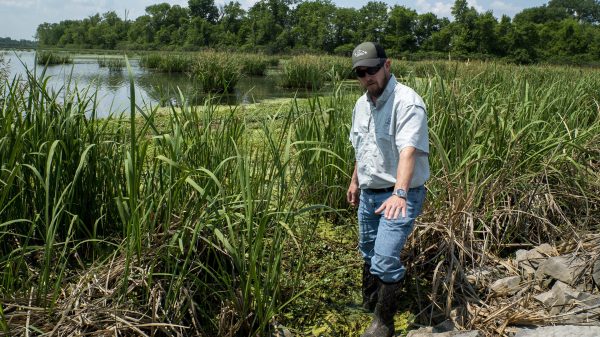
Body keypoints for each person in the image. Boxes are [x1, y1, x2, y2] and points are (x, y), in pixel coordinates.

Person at [347, 42, 429, 337]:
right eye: (360, 72)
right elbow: (363, 147)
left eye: (372, 69)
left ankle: (383, 322)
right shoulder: (360, 104)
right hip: (370, 192)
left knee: (384, 256)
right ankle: (370, 302)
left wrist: (400, 194)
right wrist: (355, 181)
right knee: (368, 251)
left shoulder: (407, 102)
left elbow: (408, 151)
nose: (367, 76)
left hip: (399, 194)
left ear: (387, 65)